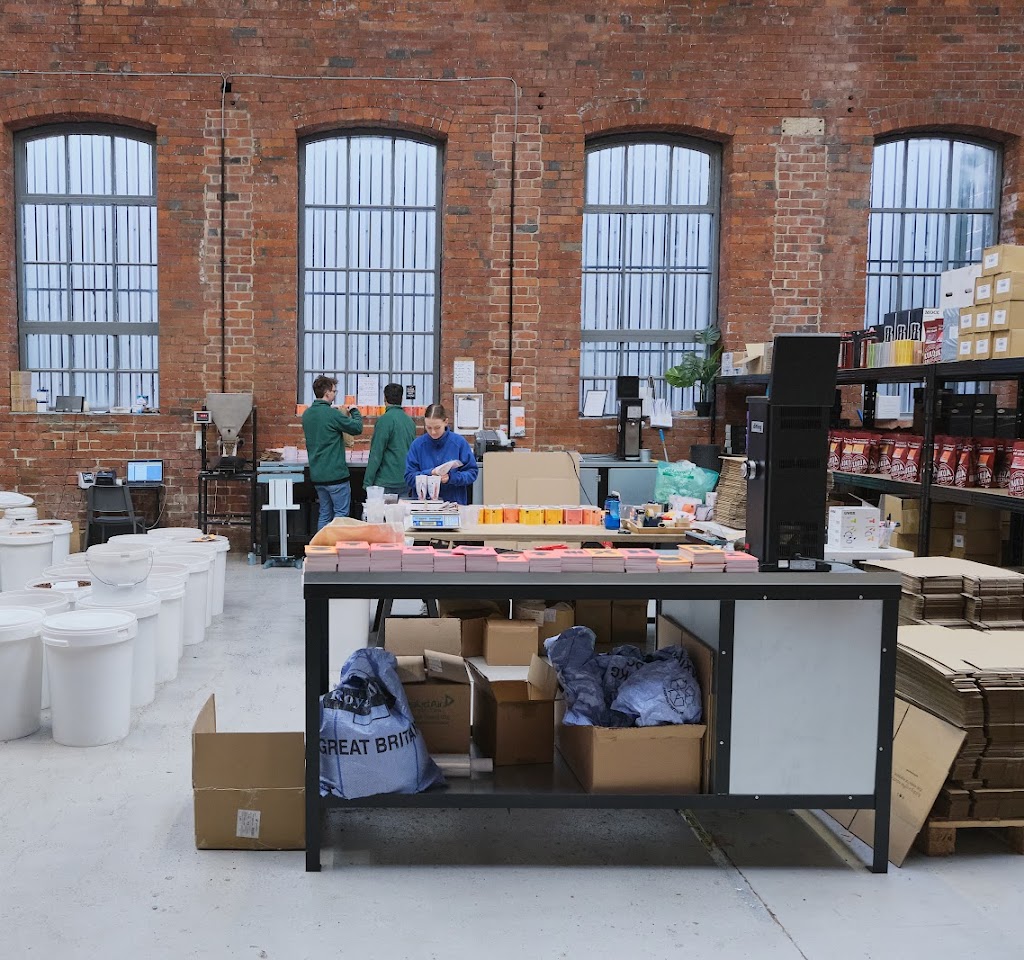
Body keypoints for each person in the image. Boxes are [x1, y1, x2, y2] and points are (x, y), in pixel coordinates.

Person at [301, 375, 363, 530]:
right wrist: (354, 411)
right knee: (341, 514)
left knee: (324, 513)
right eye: (334, 391)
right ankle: (336, 545)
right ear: (327, 392)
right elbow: (357, 428)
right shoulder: (332, 414)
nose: (335, 394)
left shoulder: (307, 414)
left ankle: (322, 544)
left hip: (317, 475)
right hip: (335, 475)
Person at [404, 403, 479, 505]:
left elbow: (472, 473)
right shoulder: (417, 445)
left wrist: (451, 478)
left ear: (446, 422)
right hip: (424, 506)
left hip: (453, 504)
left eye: (437, 427)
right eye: (429, 428)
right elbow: (409, 477)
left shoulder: (459, 443)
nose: (433, 432)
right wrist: (430, 473)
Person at [364, 383, 416, 497]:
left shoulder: (384, 420)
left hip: (386, 480)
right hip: (405, 479)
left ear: (385, 398)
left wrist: (367, 482)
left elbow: (376, 453)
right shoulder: (410, 422)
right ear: (401, 398)